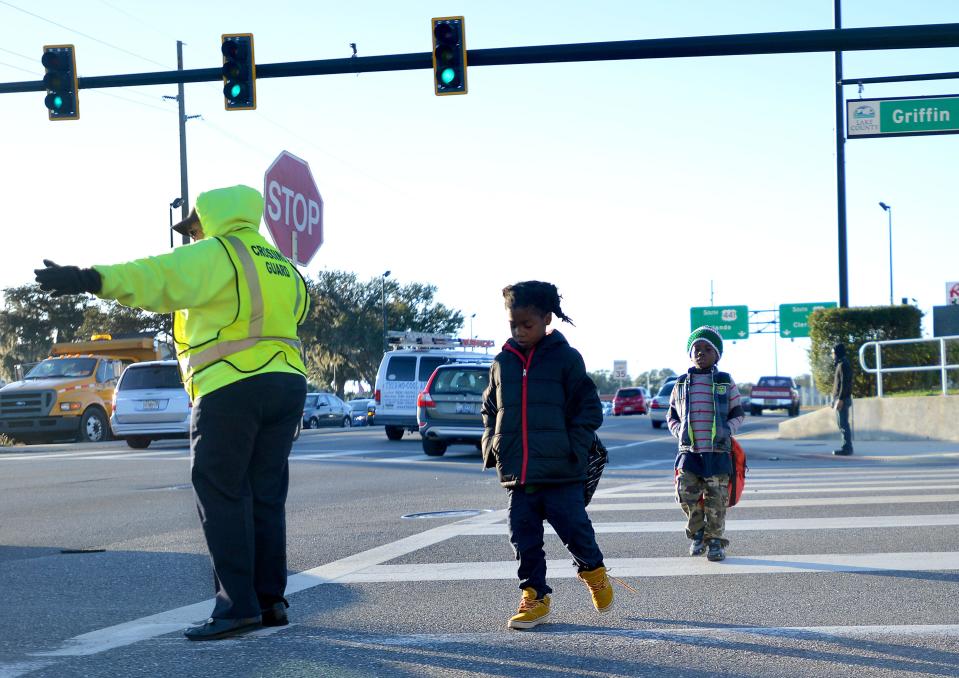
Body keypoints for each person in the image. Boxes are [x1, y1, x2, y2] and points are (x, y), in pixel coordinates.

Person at [34, 185, 309, 641]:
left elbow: (153, 276)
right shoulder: (280, 262)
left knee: (222, 493)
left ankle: (237, 606)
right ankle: (270, 600)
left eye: (193, 229)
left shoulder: (217, 254)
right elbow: (300, 306)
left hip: (231, 382)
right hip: (287, 384)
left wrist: (87, 277)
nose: (190, 237)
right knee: (265, 494)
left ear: (209, 222)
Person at [481, 280, 610, 630]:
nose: (520, 332)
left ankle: (594, 571)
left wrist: (575, 447)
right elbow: (490, 409)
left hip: (561, 471)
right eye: (513, 325)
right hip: (519, 474)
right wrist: (492, 446)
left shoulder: (566, 359)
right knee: (523, 538)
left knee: (576, 531)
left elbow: (588, 409)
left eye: (528, 324)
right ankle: (534, 596)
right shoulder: (501, 363)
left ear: (546, 318)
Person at [667, 326, 745, 562]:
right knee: (684, 495)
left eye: (707, 349)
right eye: (696, 349)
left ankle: (715, 543)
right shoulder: (680, 383)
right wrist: (678, 431)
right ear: (690, 354)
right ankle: (698, 532)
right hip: (689, 453)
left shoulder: (725, 381)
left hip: (718, 453)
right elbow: (672, 416)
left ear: (717, 355)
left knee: (716, 501)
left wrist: (727, 431)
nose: (701, 353)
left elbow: (738, 413)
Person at [832, 342, 854, 456]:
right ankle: (846, 447)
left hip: (842, 399)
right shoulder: (840, 364)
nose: (832, 355)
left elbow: (845, 384)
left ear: (837, 353)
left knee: (843, 424)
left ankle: (847, 448)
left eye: (833, 352)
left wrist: (840, 399)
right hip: (840, 399)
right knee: (842, 424)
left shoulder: (843, 364)